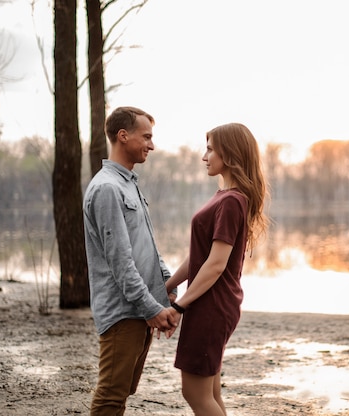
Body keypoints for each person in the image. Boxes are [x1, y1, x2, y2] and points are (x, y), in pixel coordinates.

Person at [164, 122, 269, 415]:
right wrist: (169, 285)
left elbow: (216, 264)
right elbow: (200, 258)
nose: (204, 156)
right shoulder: (225, 197)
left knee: (195, 394)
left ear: (230, 153)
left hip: (212, 306)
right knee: (209, 394)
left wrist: (180, 306)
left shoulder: (232, 202)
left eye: (210, 149)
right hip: (209, 304)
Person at [83, 106, 178, 415]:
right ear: (123, 136)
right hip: (123, 313)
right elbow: (121, 263)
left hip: (138, 310)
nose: (151, 145)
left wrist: (166, 285)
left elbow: (145, 243)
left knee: (122, 393)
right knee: (110, 397)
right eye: (146, 137)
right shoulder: (107, 188)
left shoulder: (128, 182)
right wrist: (151, 308)